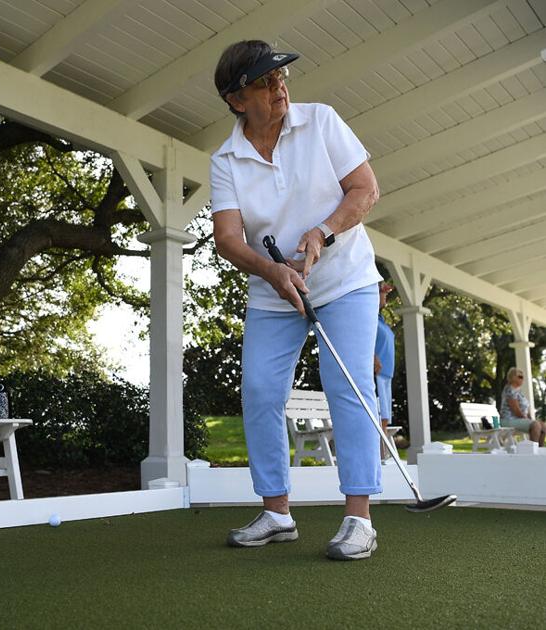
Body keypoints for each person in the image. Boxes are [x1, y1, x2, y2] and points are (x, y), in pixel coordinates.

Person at [211, 41, 382, 560]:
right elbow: (228, 239)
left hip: (346, 279)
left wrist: (322, 233)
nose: (279, 87)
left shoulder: (322, 121)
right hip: (273, 291)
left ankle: (359, 519)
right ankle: (277, 513)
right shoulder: (226, 160)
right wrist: (273, 270)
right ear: (237, 100)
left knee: (347, 384)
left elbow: (364, 189)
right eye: (263, 82)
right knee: (261, 391)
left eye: (280, 77)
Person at [374, 282, 396, 460]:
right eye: (382, 292)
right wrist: (371, 356)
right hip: (376, 375)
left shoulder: (380, 319)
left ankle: (384, 459)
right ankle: (380, 460)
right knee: (379, 419)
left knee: (385, 419)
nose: (385, 295)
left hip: (387, 376)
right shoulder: (367, 315)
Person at [500, 367, 545, 446]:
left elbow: (525, 409)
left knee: (543, 426)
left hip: (518, 419)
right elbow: (516, 410)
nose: (522, 379)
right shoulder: (510, 390)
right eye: (520, 377)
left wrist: (530, 418)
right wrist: (528, 419)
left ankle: (539, 451)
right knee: (536, 425)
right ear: (512, 377)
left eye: (523, 377)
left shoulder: (518, 391)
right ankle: (532, 453)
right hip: (508, 420)